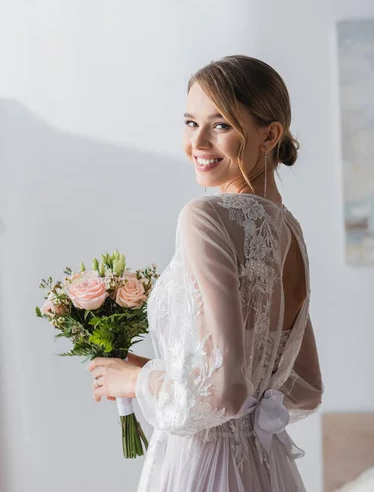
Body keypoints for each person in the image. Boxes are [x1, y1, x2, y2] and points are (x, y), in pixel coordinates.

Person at [88, 55, 323, 491]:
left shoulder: (206, 218)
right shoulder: (290, 231)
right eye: (190, 122)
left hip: (202, 467)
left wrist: (137, 379)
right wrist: (166, 370)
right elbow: (304, 388)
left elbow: (222, 394)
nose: (197, 142)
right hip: (264, 467)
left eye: (220, 125)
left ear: (269, 135)